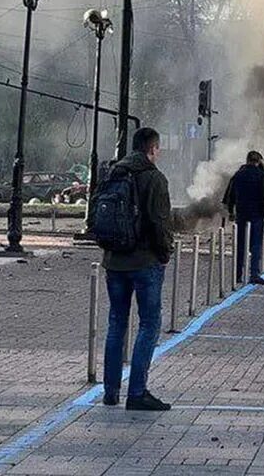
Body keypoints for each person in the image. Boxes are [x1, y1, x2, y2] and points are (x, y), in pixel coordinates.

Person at [101, 127, 173, 411]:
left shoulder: (113, 172)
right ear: (152, 149)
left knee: (116, 323)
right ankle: (137, 392)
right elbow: (159, 223)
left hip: (114, 261)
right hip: (144, 263)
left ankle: (110, 391)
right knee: (149, 324)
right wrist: (164, 253)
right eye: (159, 149)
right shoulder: (154, 178)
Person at [222, 150, 264, 284]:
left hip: (241, 213)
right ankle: (254, 274)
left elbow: (230, 195)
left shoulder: (238, 175)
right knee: (256, 245)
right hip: (257, 214)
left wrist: (231, 212)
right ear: (258, 161)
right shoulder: (262, 175)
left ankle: (238, 274)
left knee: (240, 245)